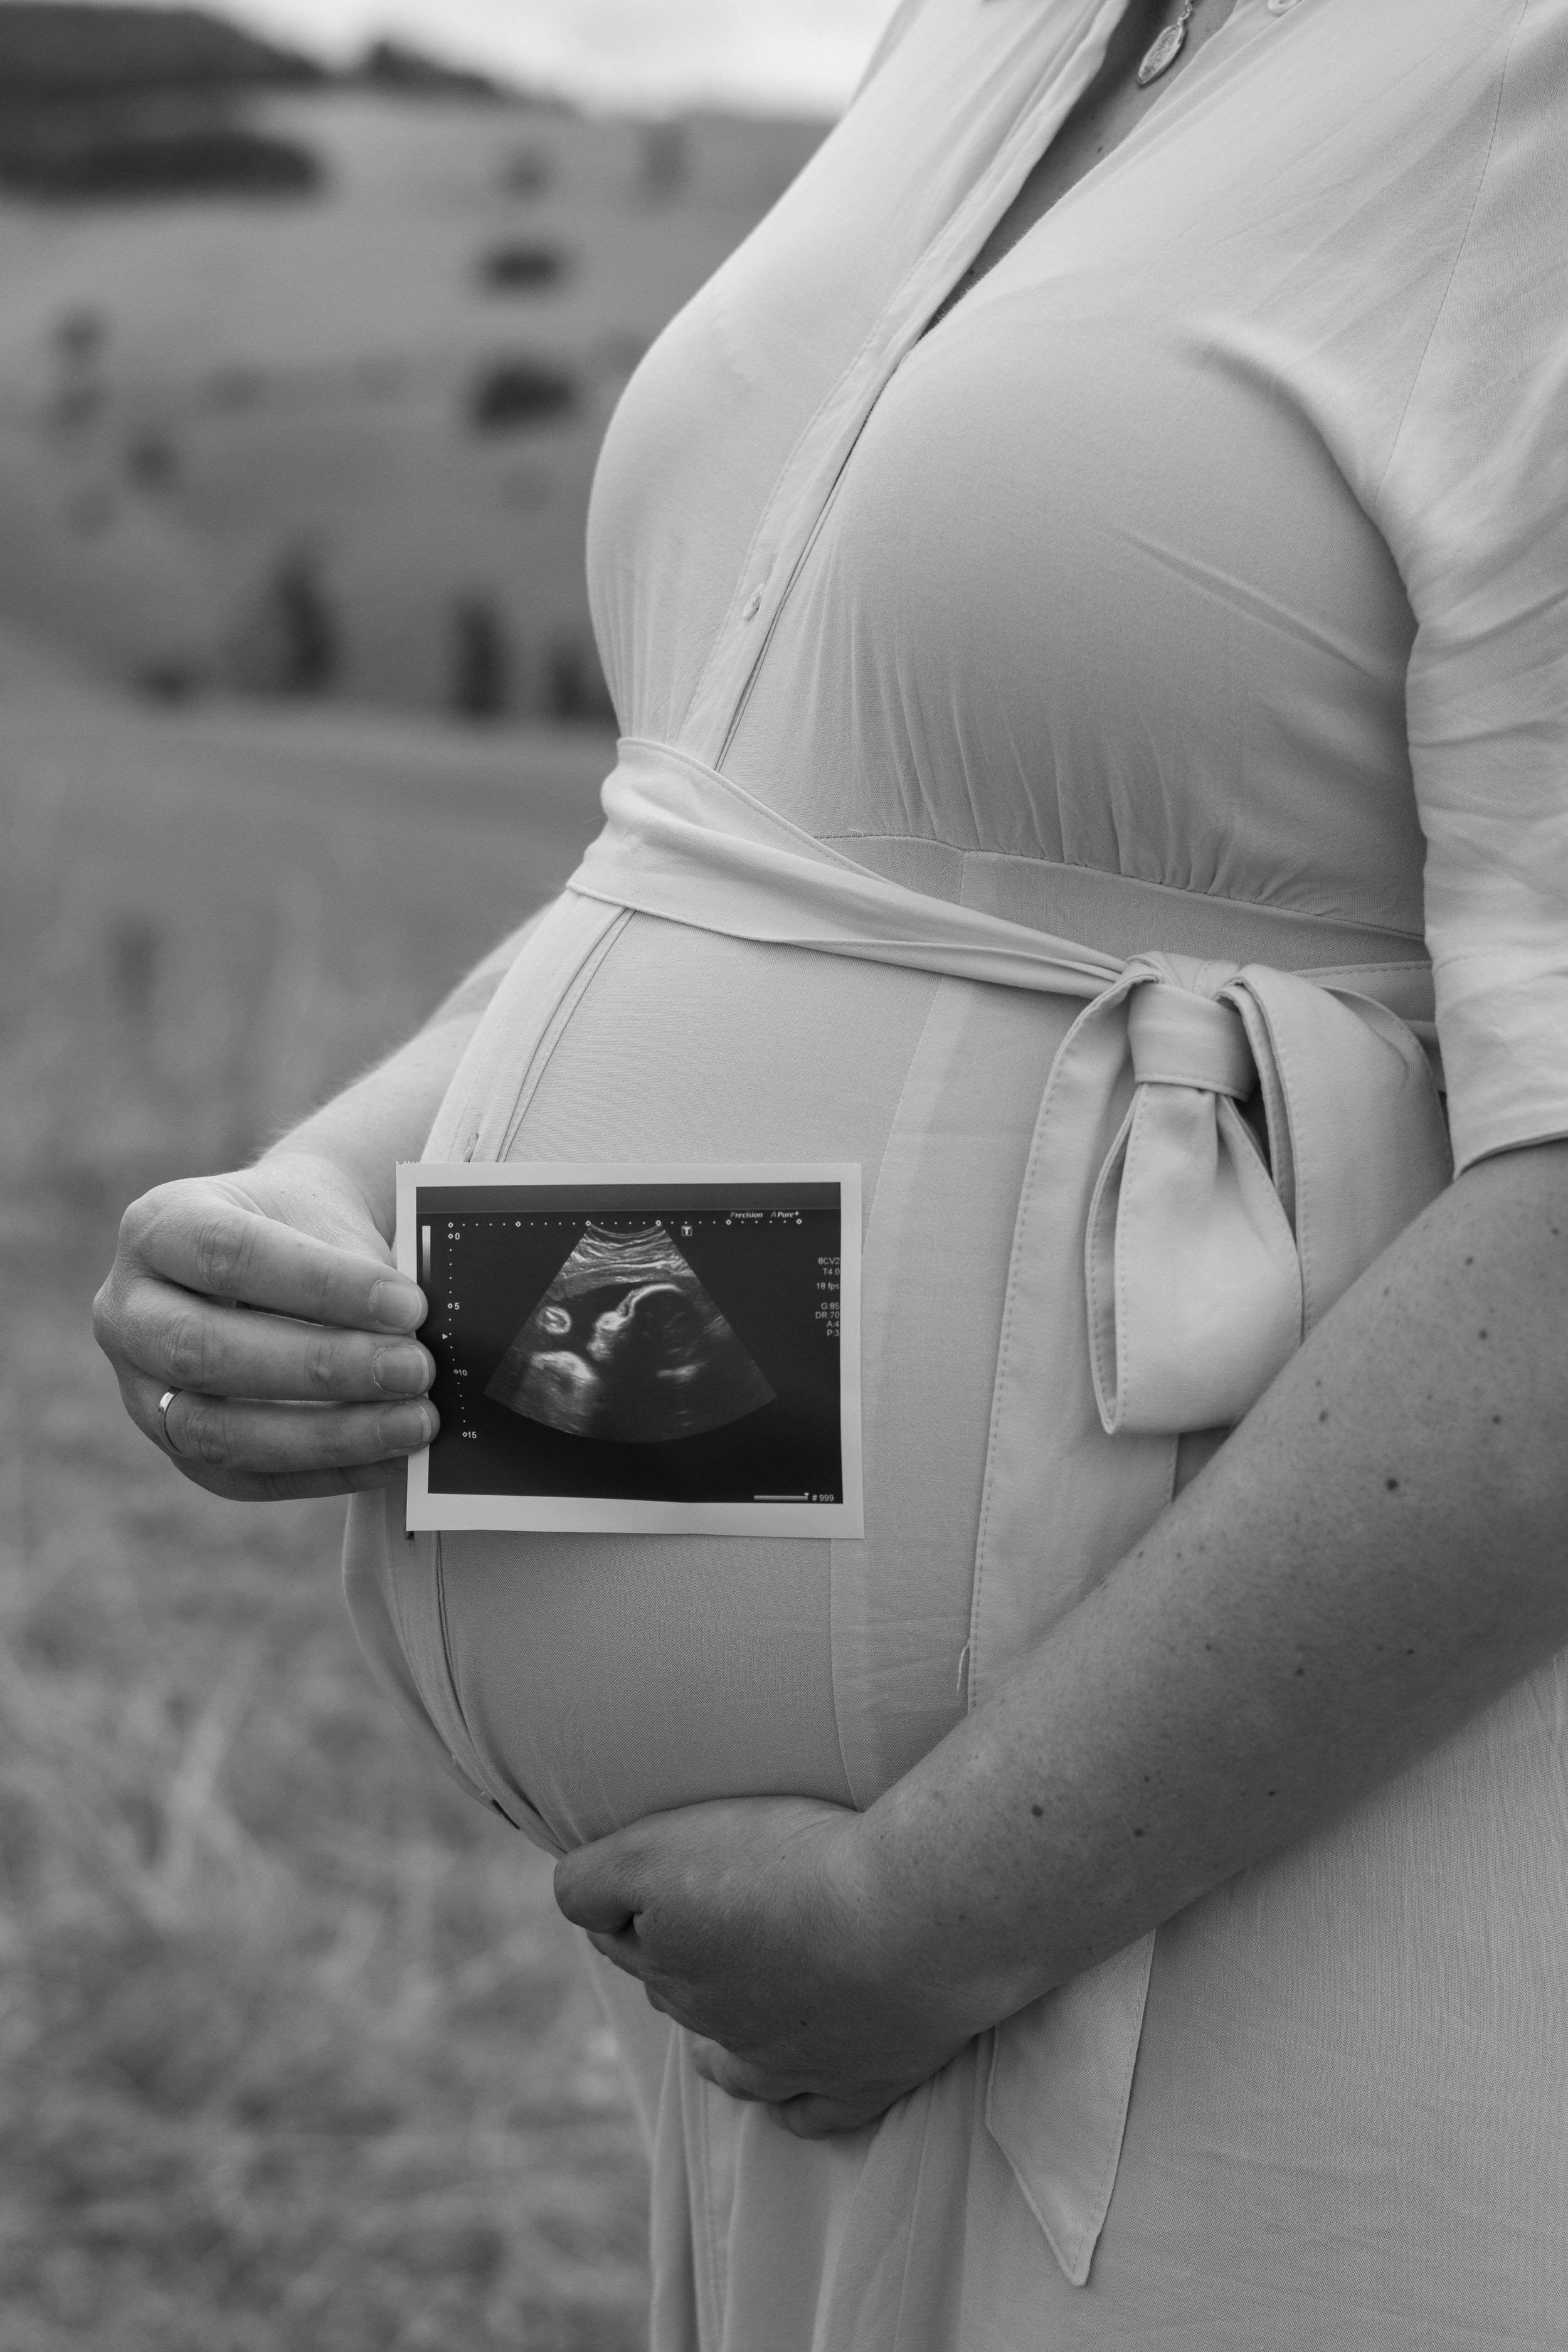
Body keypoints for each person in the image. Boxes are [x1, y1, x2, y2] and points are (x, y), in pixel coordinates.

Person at [94, 0, 1568, 2342]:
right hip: (800, 1998)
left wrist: (947, 1904)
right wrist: (332, 1185)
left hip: (1226, 1906)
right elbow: (756, 848)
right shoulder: (989, 29)